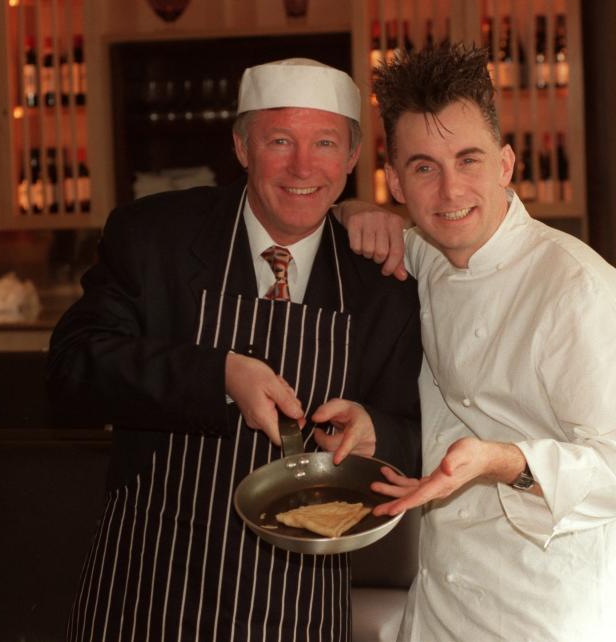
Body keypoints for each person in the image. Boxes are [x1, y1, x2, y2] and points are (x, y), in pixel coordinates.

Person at [48, 58, 422, 642]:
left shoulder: (383, 280)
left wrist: (378, 432)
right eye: (280, 140)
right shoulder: (154, 237)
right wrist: (217, 374)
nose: (303, 166)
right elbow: (72, 370)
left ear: (352, 160)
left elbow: (423, 432)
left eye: (325, 142)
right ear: (242, 147)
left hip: (296, 607)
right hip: (147, 596)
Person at [342, 44, 616, 640]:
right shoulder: (429, 254)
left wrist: (502, 460)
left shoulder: (580, 290)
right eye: (424, 168)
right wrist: (352, 208)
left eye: (469, 160)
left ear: (506, 164)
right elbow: (353, 223)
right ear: (396, 183)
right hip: (442, 601)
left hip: (546, 611)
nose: (450, 191)